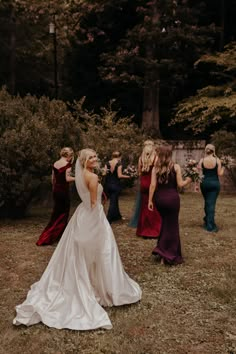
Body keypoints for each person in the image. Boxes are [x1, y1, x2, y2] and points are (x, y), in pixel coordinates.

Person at [13, 148, 141, 330]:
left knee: (81, 253)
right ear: (85, 162)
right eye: (92, 157)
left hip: (81, 214)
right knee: (101, 252)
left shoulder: (82, 176)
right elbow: (94, 203)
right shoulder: (93, 178)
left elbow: (87, 198)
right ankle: (102, 288)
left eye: (95, 156)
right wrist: (99, 222)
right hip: (93, 215)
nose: (95, 159)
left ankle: (90, 283)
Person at [148, 145, 192, 265]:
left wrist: (150, 201)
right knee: (172, 226)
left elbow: (152, 186)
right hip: (172, 199)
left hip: (159, 199)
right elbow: (180, 184)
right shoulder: (176, 167)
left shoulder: (155, 168)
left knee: (165, 224)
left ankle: (162, 249)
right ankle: (168, 254)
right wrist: (189, 180)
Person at [36, 147, 75, 246]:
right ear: (69, 155)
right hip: (63, 191)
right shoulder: (67, 165)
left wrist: (54, 189)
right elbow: (67, 179)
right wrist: (77, 177)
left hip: (56, 190)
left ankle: (52, 234)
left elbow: (53, 178)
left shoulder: (55, 163)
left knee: (56, 213)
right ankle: (58, 236)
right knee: (64, 213)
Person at [136, 140, 161, 238]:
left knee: (144, 207)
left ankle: (144, 230)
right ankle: (154, 229)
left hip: (144, 183)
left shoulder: (140, 159)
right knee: (153, 206)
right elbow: (157, 173)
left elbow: (139, 173)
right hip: (152, 183)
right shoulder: (156, 158)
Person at [198, 144, 224, 232]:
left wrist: (197, 186)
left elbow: (200, 175)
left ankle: (207, 219)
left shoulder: (202, 160)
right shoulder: (217, 160)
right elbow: (220, 174)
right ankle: (210, 226)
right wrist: (223, 167)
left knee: (207, 202)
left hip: (204, 184)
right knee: (211, 204)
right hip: (214, 184)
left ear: (206, 150)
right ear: (214, 150)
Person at [104, 151, 130, 223]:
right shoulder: (119, 164)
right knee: (113, 202)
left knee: (114, 200)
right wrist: (129, 176)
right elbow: (119, 175)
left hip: (108, 184)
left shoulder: (107, 163)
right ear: (120, 156)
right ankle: (108, 219)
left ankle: (117, 216)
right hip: (115, 185)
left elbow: (104, 173)